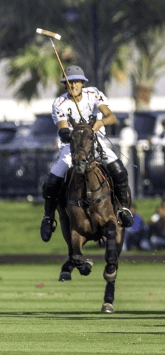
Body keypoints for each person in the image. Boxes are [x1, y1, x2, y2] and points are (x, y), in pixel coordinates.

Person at [40, 65, 134, 242]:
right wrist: (77, 134)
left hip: (96, 143)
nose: (73, 85)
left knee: (119, 170)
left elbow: (111, 117)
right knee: (52, 180)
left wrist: (100, 123)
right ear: (65, 85)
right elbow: (63, 130)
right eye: (69, 82)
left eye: (76, 81)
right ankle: (48, 217)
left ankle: (123, 208)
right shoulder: (59, 103)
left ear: (82, 83)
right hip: (72, 146)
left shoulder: (94, 94)